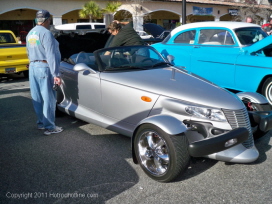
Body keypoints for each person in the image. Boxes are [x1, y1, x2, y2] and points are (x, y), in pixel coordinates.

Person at [26, 10, 63, 135]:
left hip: (33, 67)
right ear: (47, 20)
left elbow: (28, 52)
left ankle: (41, 123)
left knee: (37, 97)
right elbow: (51, 55)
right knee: (49, 98)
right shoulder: (46, 33)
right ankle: (50, 127)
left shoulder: (30, 33)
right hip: (44, 67)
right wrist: (56, 74)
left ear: (37, 20)